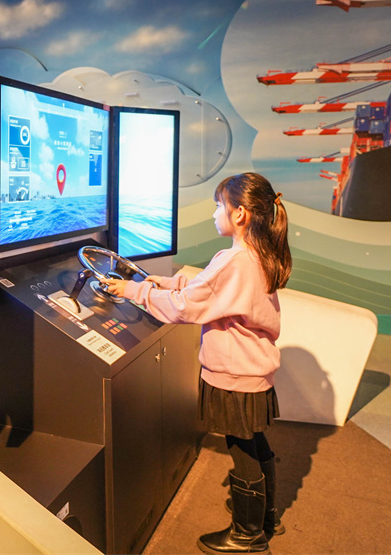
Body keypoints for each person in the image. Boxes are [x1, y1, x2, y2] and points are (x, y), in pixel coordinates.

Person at [101, 172, 291, 555]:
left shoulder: (234, 260)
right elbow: (207, 288)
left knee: (241, 448)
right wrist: (162, 281)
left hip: (235, 373)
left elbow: (188, 306)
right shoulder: (256, 255)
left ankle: (247, 534)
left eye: (219, 205)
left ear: (240, 214)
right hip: (253, 369)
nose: (214, 213)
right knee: (253, 440)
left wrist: (133, 290)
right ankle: (265, 515)